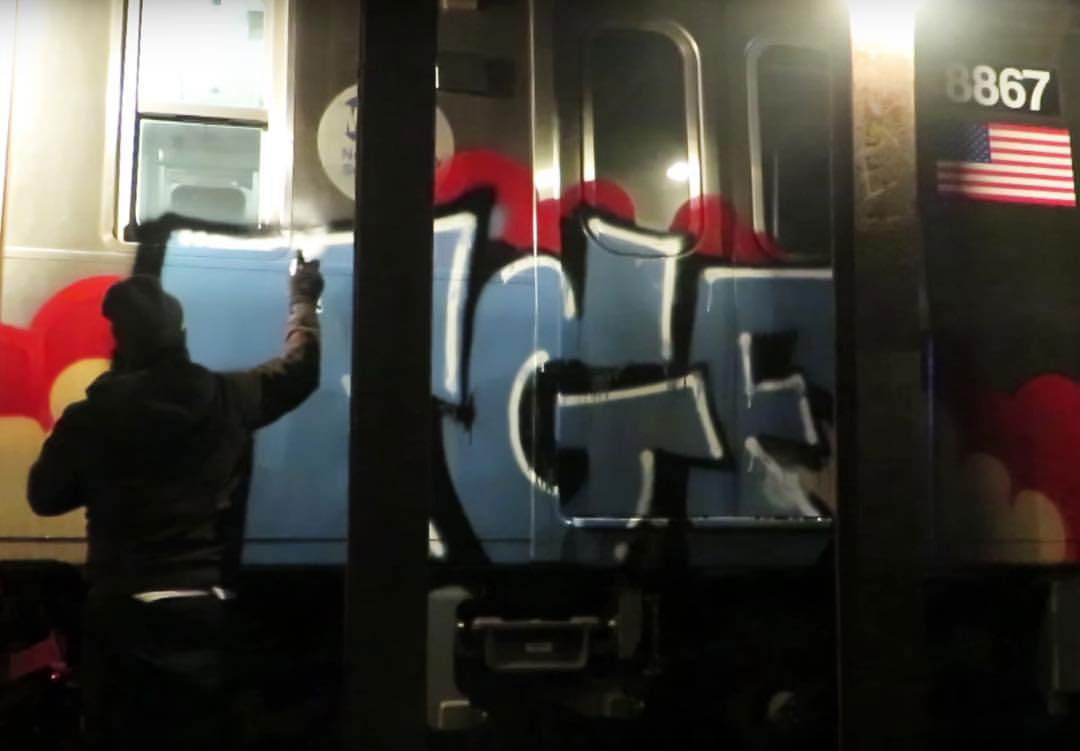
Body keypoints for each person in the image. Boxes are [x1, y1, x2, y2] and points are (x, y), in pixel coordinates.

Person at [26, 254, 323, 750]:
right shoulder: (229, 397)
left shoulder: (93, 417)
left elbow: (44, 497)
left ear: (122, 343)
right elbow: (300, 370)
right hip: (203, 608)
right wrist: (303, 300)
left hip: (123, 613)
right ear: (180, 336)